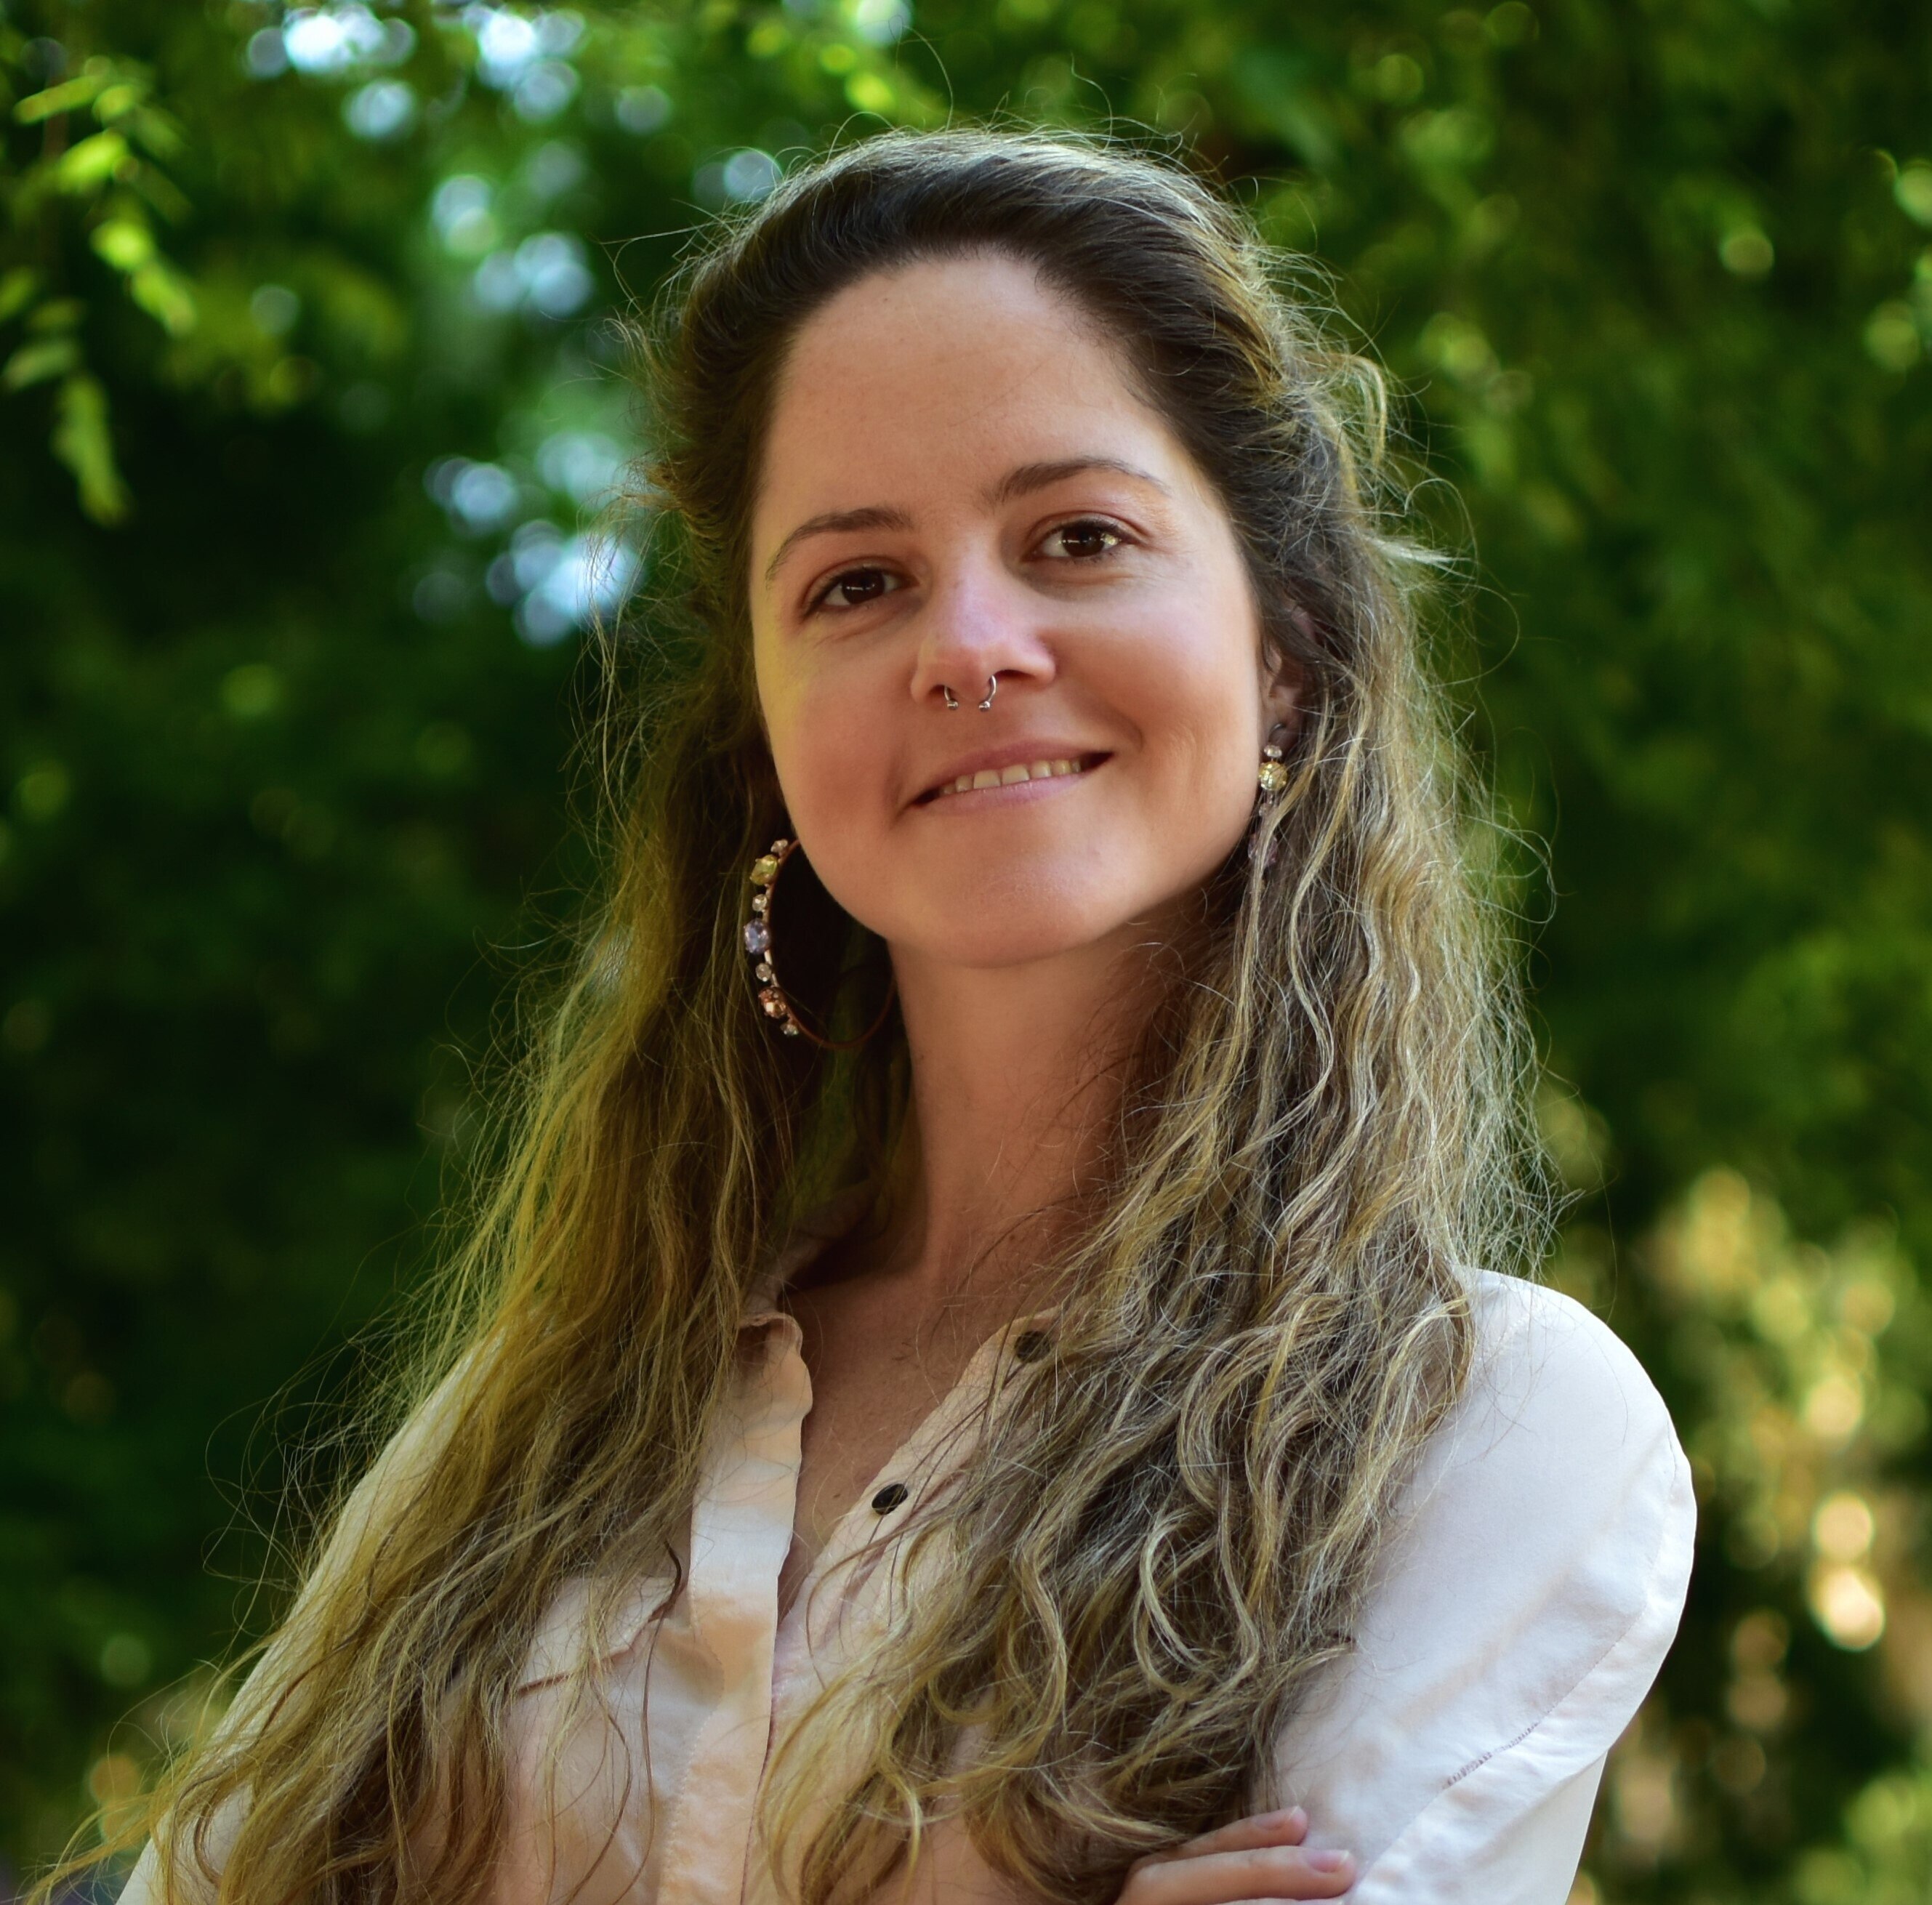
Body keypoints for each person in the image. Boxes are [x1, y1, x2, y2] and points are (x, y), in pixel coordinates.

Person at [97, 129, 1692, 1905]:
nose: (972, 642)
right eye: (858, 582)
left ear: (1287, 656)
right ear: (769, 728)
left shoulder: (1482, 1427)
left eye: (1078, 536)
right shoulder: (538, 1427)